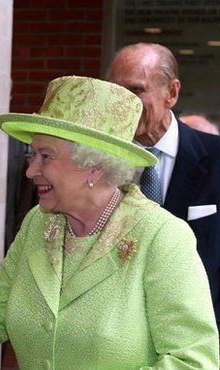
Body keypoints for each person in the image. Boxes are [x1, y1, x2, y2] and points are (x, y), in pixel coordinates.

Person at [0, 76, 219, 368]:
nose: (30, 170)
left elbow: (194, 360)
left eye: (45, 156)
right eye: (32, 154)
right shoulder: (39, 223)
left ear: (93, 167)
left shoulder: (161, 236)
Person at [108, 42, 220, 328]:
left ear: (171, 93)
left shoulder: (216, 159)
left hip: (197, 332)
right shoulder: (98, 161)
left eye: (135, 90)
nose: (122, 101)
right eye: (115, 90)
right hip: (119, 332)